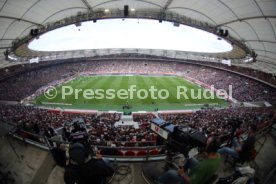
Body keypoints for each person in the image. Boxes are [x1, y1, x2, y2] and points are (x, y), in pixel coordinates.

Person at [157, 137, 222, 184]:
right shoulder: (218, 155)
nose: (205, 144)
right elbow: (208, 157)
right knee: (191, 159)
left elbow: (192, 182)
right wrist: (205, 154)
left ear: (210, 147)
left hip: (193, 181)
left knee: (170, 173)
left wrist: (182, 174)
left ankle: (159, 181)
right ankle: (182, 172)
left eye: (207, 143)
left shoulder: (204, 166)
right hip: (203, 172)